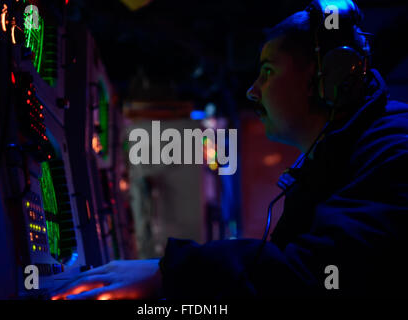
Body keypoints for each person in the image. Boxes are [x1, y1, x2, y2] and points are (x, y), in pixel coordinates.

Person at [51, 0, 408, 299]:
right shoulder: (341, 158)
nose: (253, 91)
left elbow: (313, 277)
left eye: (267, 72)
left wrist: (175, 273)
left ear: (327, 78)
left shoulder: (396, 151)